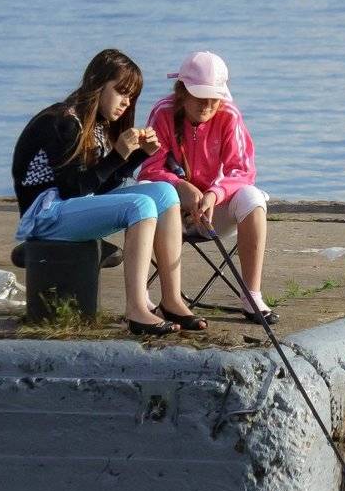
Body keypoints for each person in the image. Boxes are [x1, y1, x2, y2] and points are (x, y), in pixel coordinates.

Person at [11, 48, 205, 336]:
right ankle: (137, 309)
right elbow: (73, 188)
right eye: (121, 92)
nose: (126, 102)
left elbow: (101, 185)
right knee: (139, 205)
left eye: (132, 97)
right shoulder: (63, 121)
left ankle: (172, 299)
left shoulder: (99, 124)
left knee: (165, 193)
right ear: (97, 83)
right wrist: (118, 154)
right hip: (44, 215)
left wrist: (138, 155)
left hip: (71, 206)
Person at [137, 51, 276, 323]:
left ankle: (251, 295)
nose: (208, 105)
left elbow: (242, 170)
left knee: (252, 198)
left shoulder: (229, 115)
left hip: (212, 214)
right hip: (171, 212)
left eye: (215, 97)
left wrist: (214, 194)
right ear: (182, 92)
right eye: (200, 96)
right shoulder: (162, 112)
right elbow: (149, 168)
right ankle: (144, 297)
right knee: (145, 192)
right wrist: (180, 187)